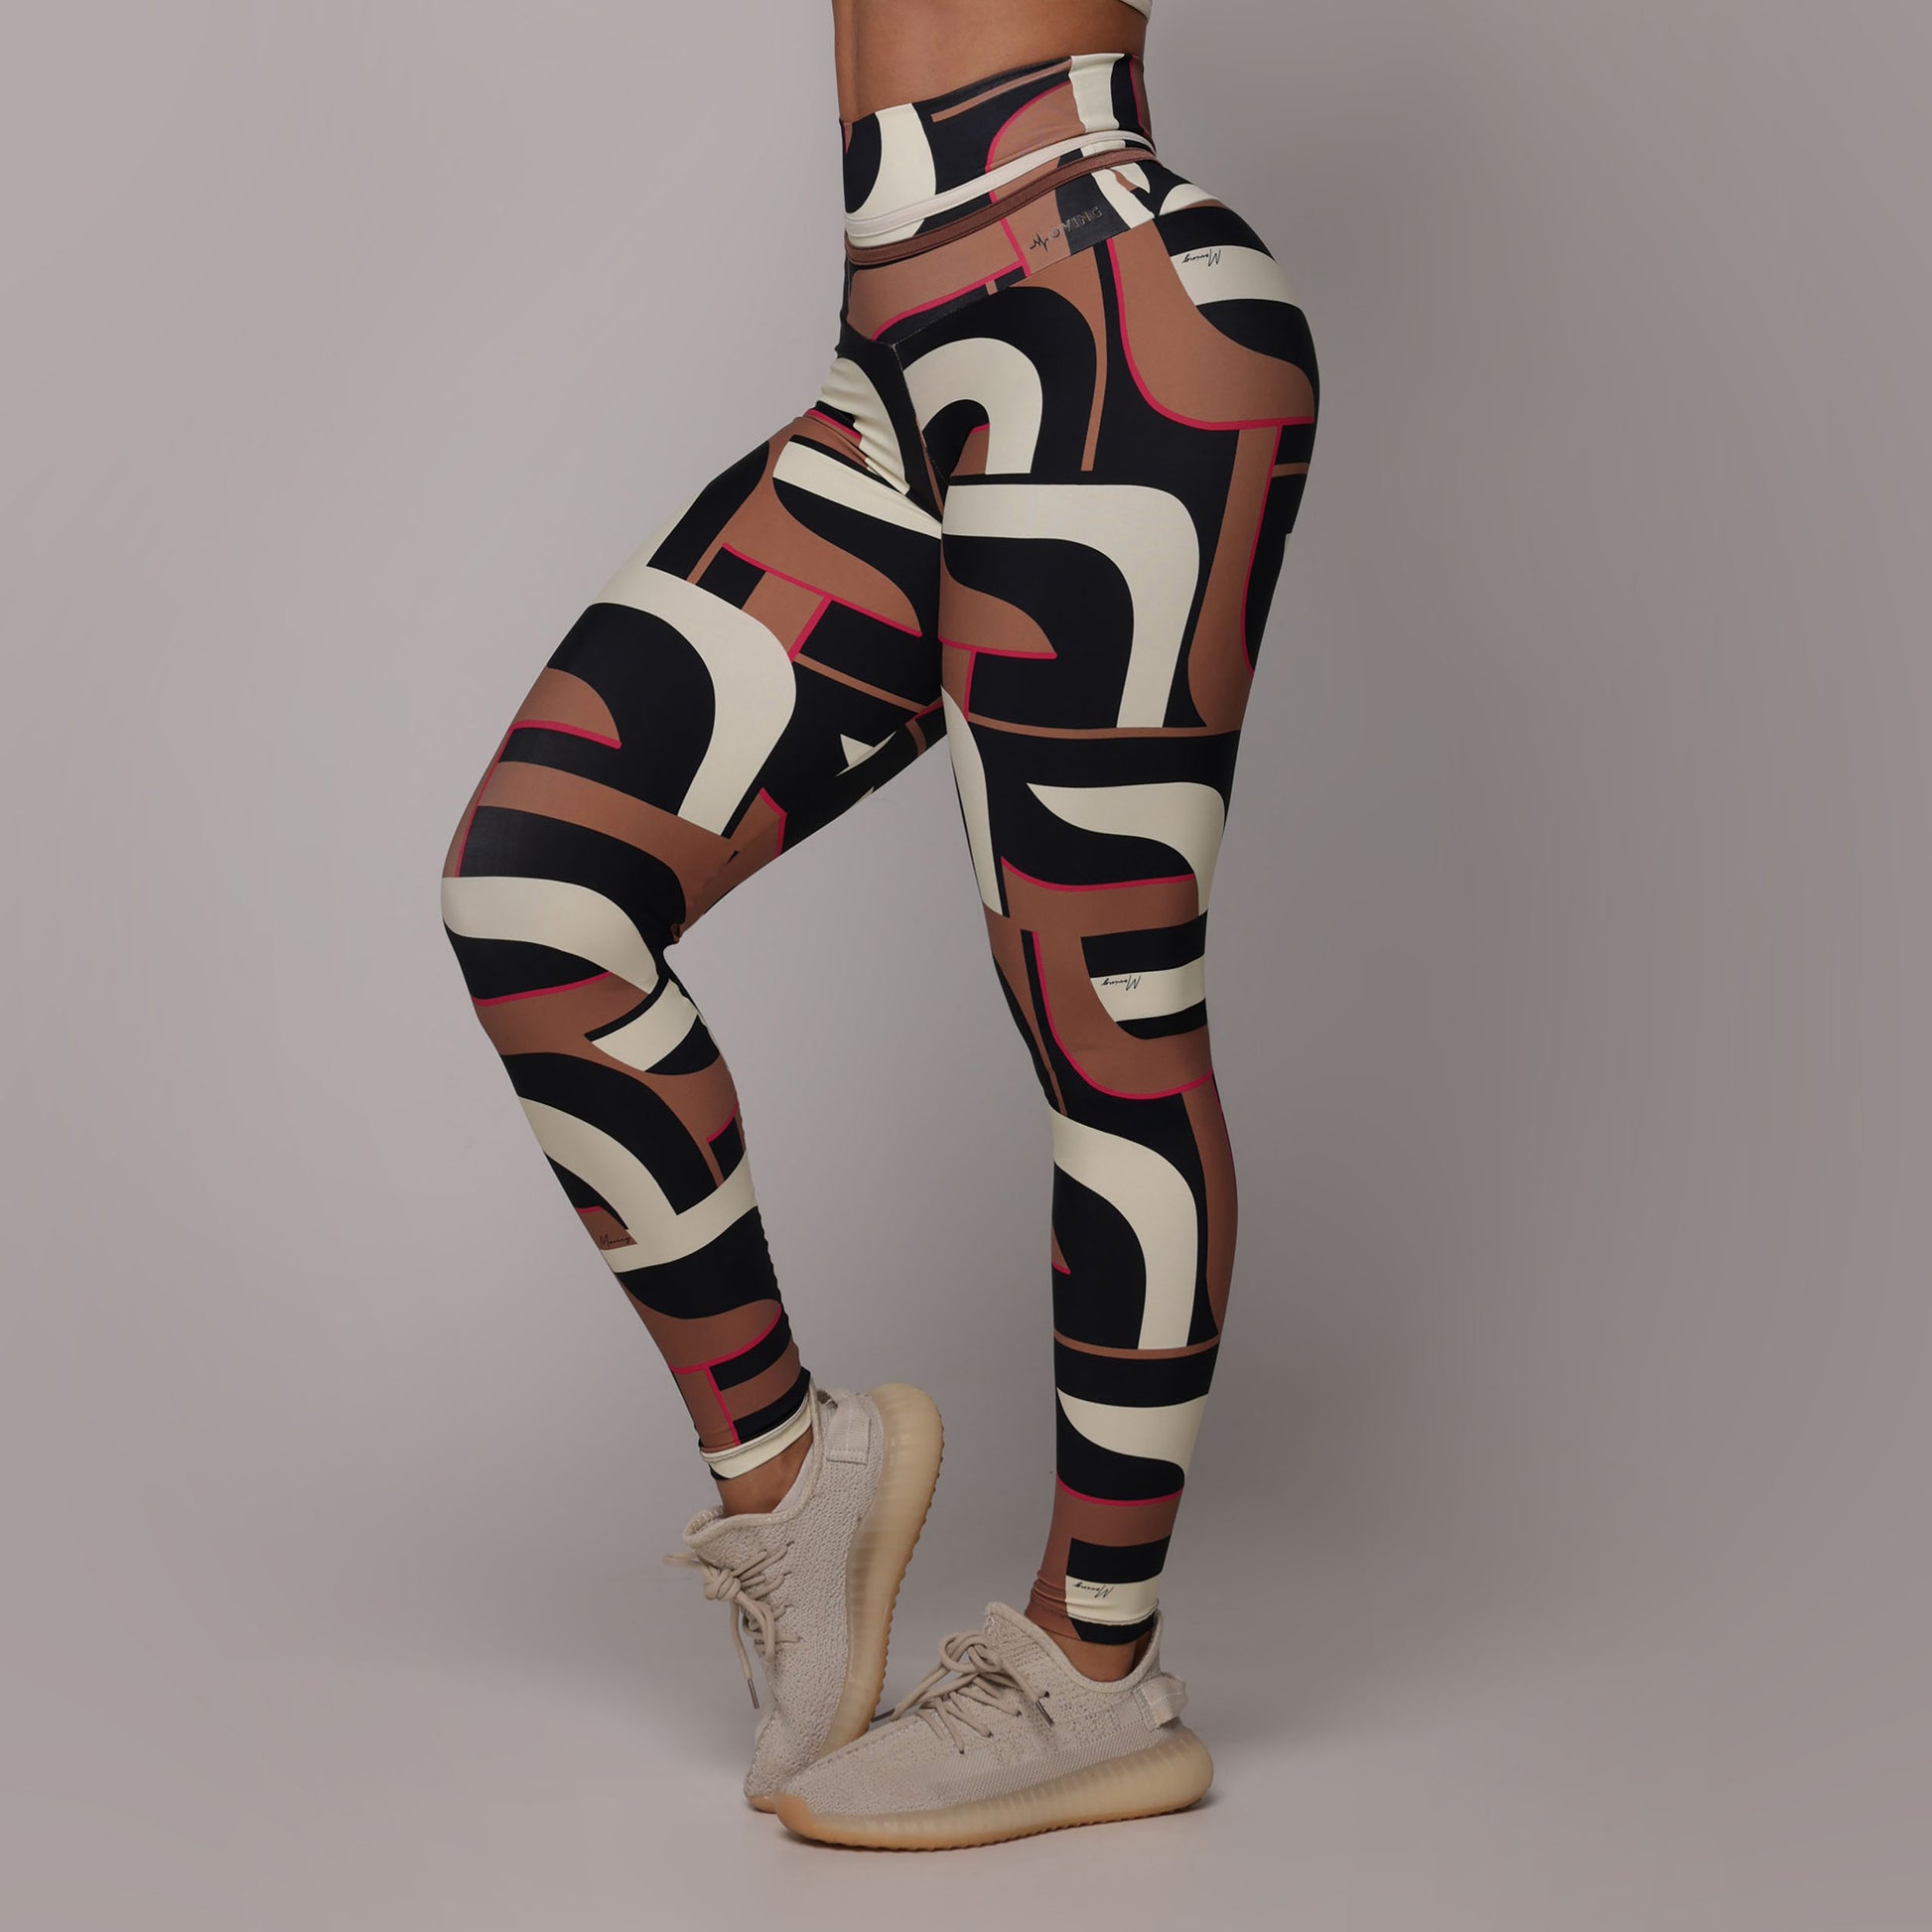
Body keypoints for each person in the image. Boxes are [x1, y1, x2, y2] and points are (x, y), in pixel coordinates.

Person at [440, 0, 1317, 1849]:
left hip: (1105, 315)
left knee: (1103, 1003)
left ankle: (1095, 1666)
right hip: (896, 358)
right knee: (538, 889)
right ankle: (790, 1482)